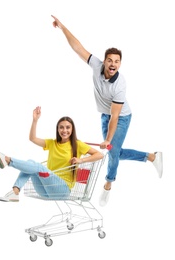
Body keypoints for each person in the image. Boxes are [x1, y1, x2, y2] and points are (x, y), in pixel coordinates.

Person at [51, 15, 163, 207]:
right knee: (116, 152)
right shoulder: (96, 65)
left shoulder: (120, 84)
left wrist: (108, 140)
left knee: (112, 152)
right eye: (110, 60)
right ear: (104, 61)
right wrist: (62, 28)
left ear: (120, 64)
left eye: (117, 61)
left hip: (121, 118)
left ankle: (108, 184)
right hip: (105, 116)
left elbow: (116, 116)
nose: (113, 64)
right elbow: (78, 47)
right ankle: (151, 157)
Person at [0, 106, 104, 202]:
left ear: (72, 129)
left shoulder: (78, 144)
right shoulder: (52, 143)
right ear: (58, 130)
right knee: (31, 164)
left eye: (68, 127)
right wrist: (35, 120)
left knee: (38, 167)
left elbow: (99, 155)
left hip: (62, 190)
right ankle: (15, 192)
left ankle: (8, 160)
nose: (64, 130)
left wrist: (81, 160)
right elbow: (33, 138)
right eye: (61, 128)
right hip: (46, 190)